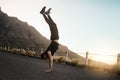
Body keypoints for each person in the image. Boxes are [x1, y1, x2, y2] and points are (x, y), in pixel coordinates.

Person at [40, 6, 59, 72]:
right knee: (53, 24)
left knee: (51, 24)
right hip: (54, 37)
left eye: (44, 57)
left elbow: (51, 60)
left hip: (54, 37)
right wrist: (49, 68)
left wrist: (49, 69)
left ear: (44, 55)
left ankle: (43, 14)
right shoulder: (48, 53)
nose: (45, 58)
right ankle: (47, 14)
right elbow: (51, 60)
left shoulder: (48, 52)